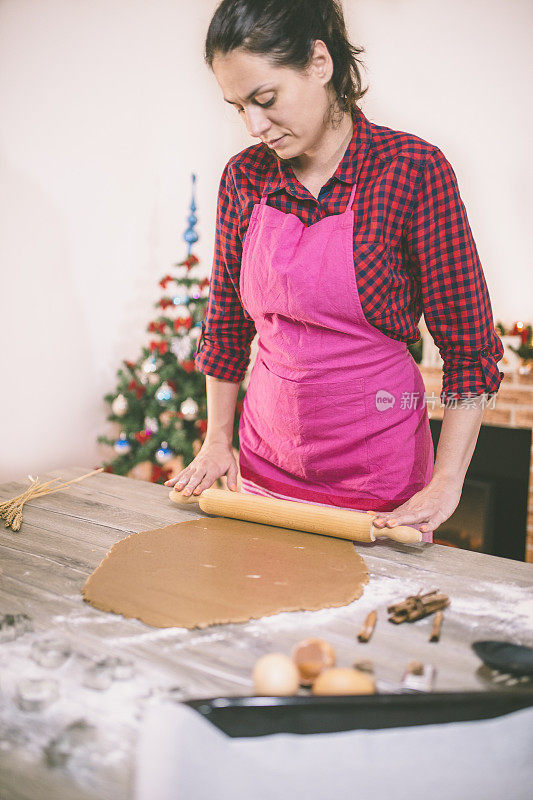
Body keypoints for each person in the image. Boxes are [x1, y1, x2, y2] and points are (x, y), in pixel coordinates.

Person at [165, 0, 504, 541]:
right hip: (263, 478)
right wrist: (216, 440)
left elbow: (469, 350)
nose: (255, 125)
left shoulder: (413, 172)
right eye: (238, 107)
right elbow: (227, 326)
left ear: (319, 62)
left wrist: (446, 481)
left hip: (381, 489)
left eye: (265, 98)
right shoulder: (244, 179)